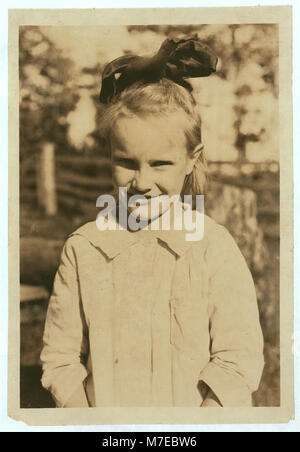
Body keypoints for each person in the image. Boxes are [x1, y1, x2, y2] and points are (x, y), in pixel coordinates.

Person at [40, 35, 264, 407]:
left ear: (192, 159)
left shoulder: (212, 247)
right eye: (126, 163)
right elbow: (61, 359)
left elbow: (237, 359)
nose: (141, 183)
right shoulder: (84, 248)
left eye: (160, 164)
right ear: (110, 152)